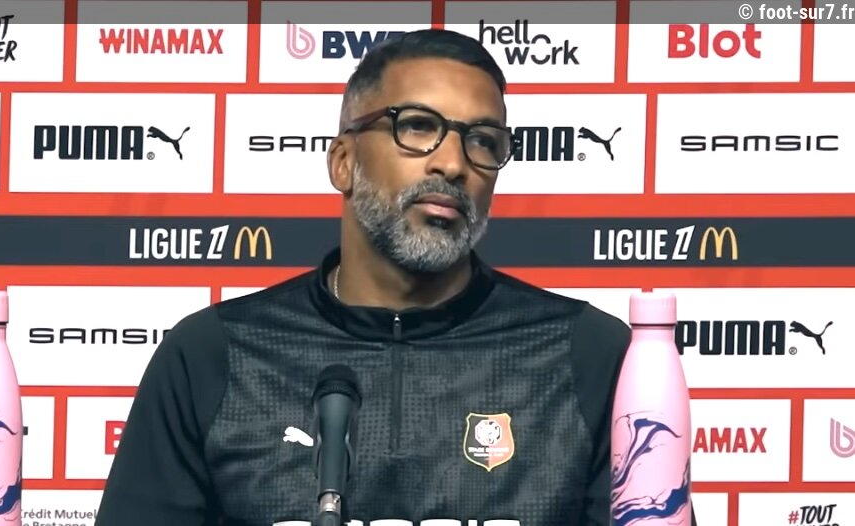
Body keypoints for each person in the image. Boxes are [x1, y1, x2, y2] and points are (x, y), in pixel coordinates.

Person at [96, 28, 697, 526]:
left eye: (482, 141)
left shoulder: (592, 357)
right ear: (343, 162)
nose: (453, 163)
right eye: (416, 126)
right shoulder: (211, 356)